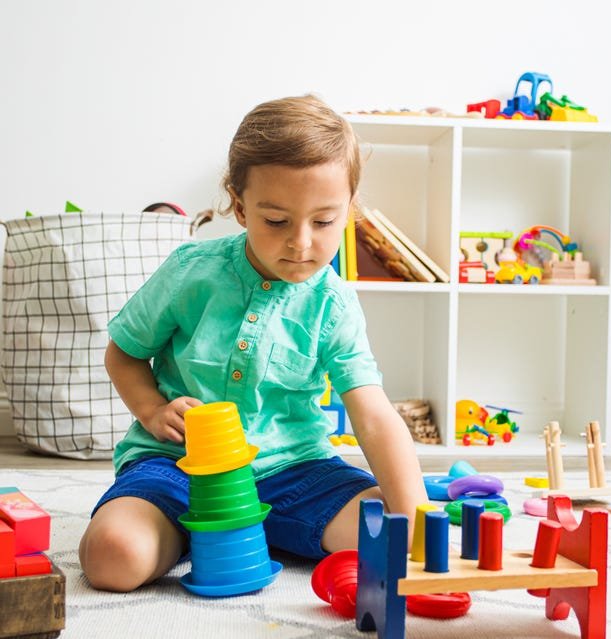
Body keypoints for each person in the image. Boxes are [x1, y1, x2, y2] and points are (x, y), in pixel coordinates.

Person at [79, 94, 429, 592]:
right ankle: (192, 531)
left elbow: (372, 416)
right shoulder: (190, 271)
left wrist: (413, 520)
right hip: (178, 469)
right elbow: (125, 352)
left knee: (389, 532)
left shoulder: (334, 304)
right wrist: (152, 410)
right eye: (277, 221)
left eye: (324, 221)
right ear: (240, 207)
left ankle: (263, 526)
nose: (301, 243)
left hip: (294, 473)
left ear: (349, 210)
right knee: (112, 558)